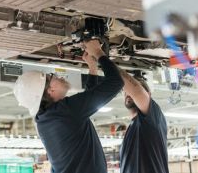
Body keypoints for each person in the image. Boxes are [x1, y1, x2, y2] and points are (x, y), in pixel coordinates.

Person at [14, 40, 124, 173]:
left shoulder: (47, 118)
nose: (57, 76)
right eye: (51, 76)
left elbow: (86, 101)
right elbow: (116, 82)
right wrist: (97, 52)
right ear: (49, 90)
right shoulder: (62, 113)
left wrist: (92, 68)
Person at [118, 70, 169, 173]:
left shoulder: (153, 118)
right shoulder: (133, 127)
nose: (128, 93)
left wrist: (100, 57)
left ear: (148, 95)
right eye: (126, 90)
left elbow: (137, 91)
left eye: (130, 90)